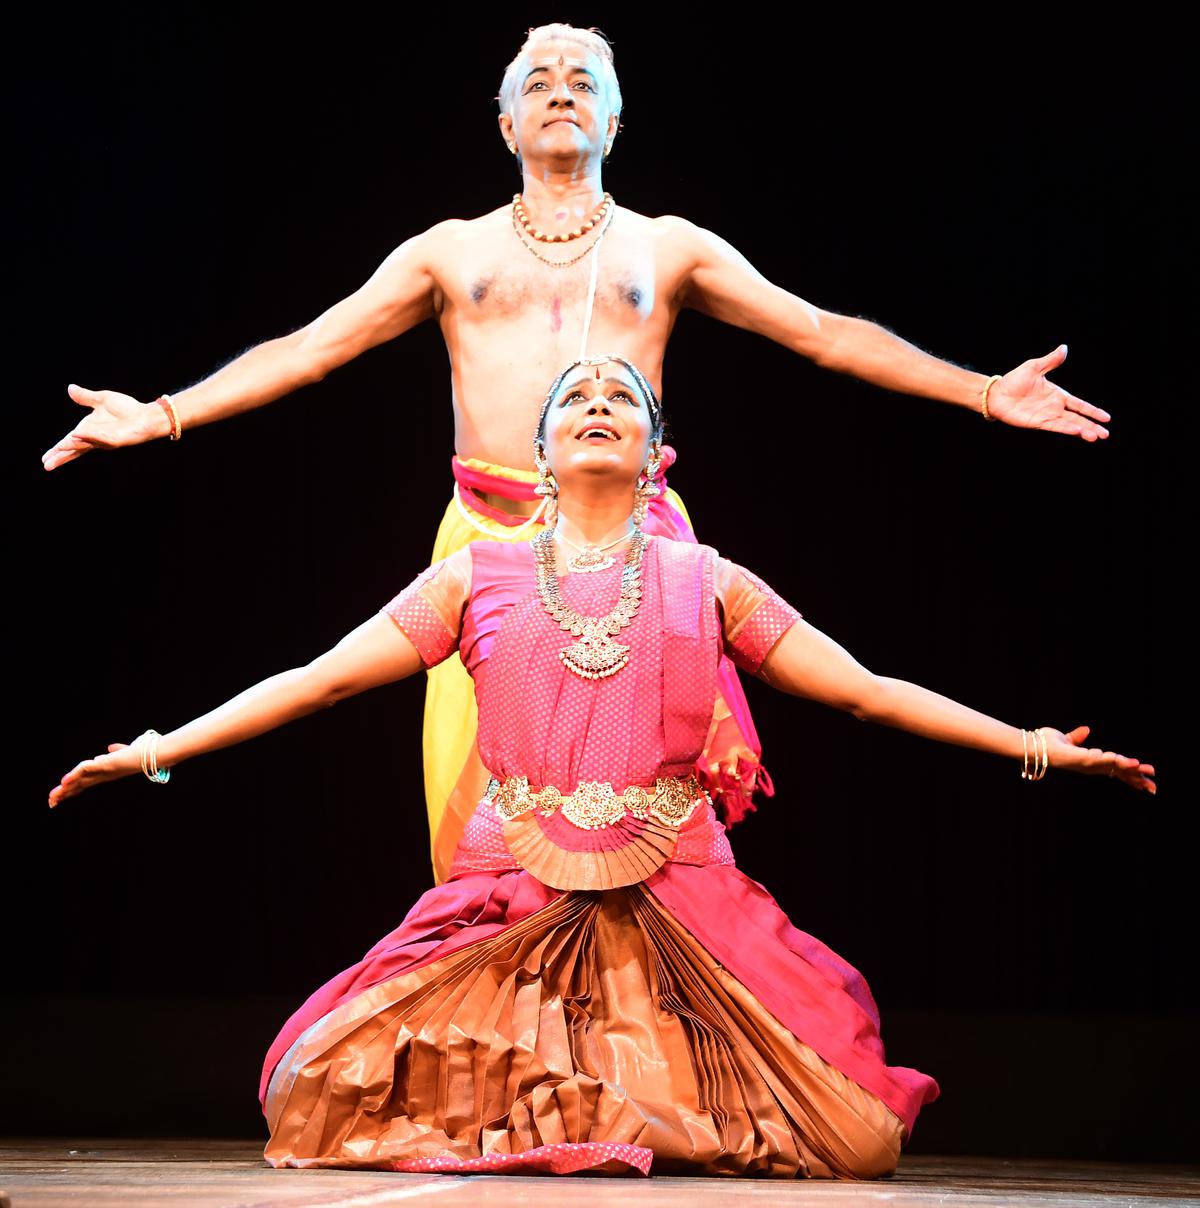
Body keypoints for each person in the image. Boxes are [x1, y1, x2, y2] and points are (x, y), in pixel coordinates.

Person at [42, 25, 1116, 885]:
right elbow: (312, 348)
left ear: (613, 116)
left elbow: (823, 331)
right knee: (480, 800)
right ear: (507, 122)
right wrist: (166, 413)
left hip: (638, 542)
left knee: (645, 795)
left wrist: (981, 390)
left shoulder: (668, 246)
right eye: (540, 78)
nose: (562, 88)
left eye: (584, 76)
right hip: (491, 545)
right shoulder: (449, 250)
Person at [48, 355, 1153, 1179]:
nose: (595, 407)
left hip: (681, 904)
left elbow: (863, 686)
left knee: (856, 1135)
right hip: (511, 907)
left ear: (656, 452)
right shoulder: (471, 577)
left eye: (621, 399)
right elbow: (318, 676)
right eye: (574, 397)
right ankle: (597, 1102)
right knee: (316, 1082)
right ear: (538, 451)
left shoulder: (707, 580)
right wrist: (157, 749)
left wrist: (1031, 746)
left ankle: (624, 1100)